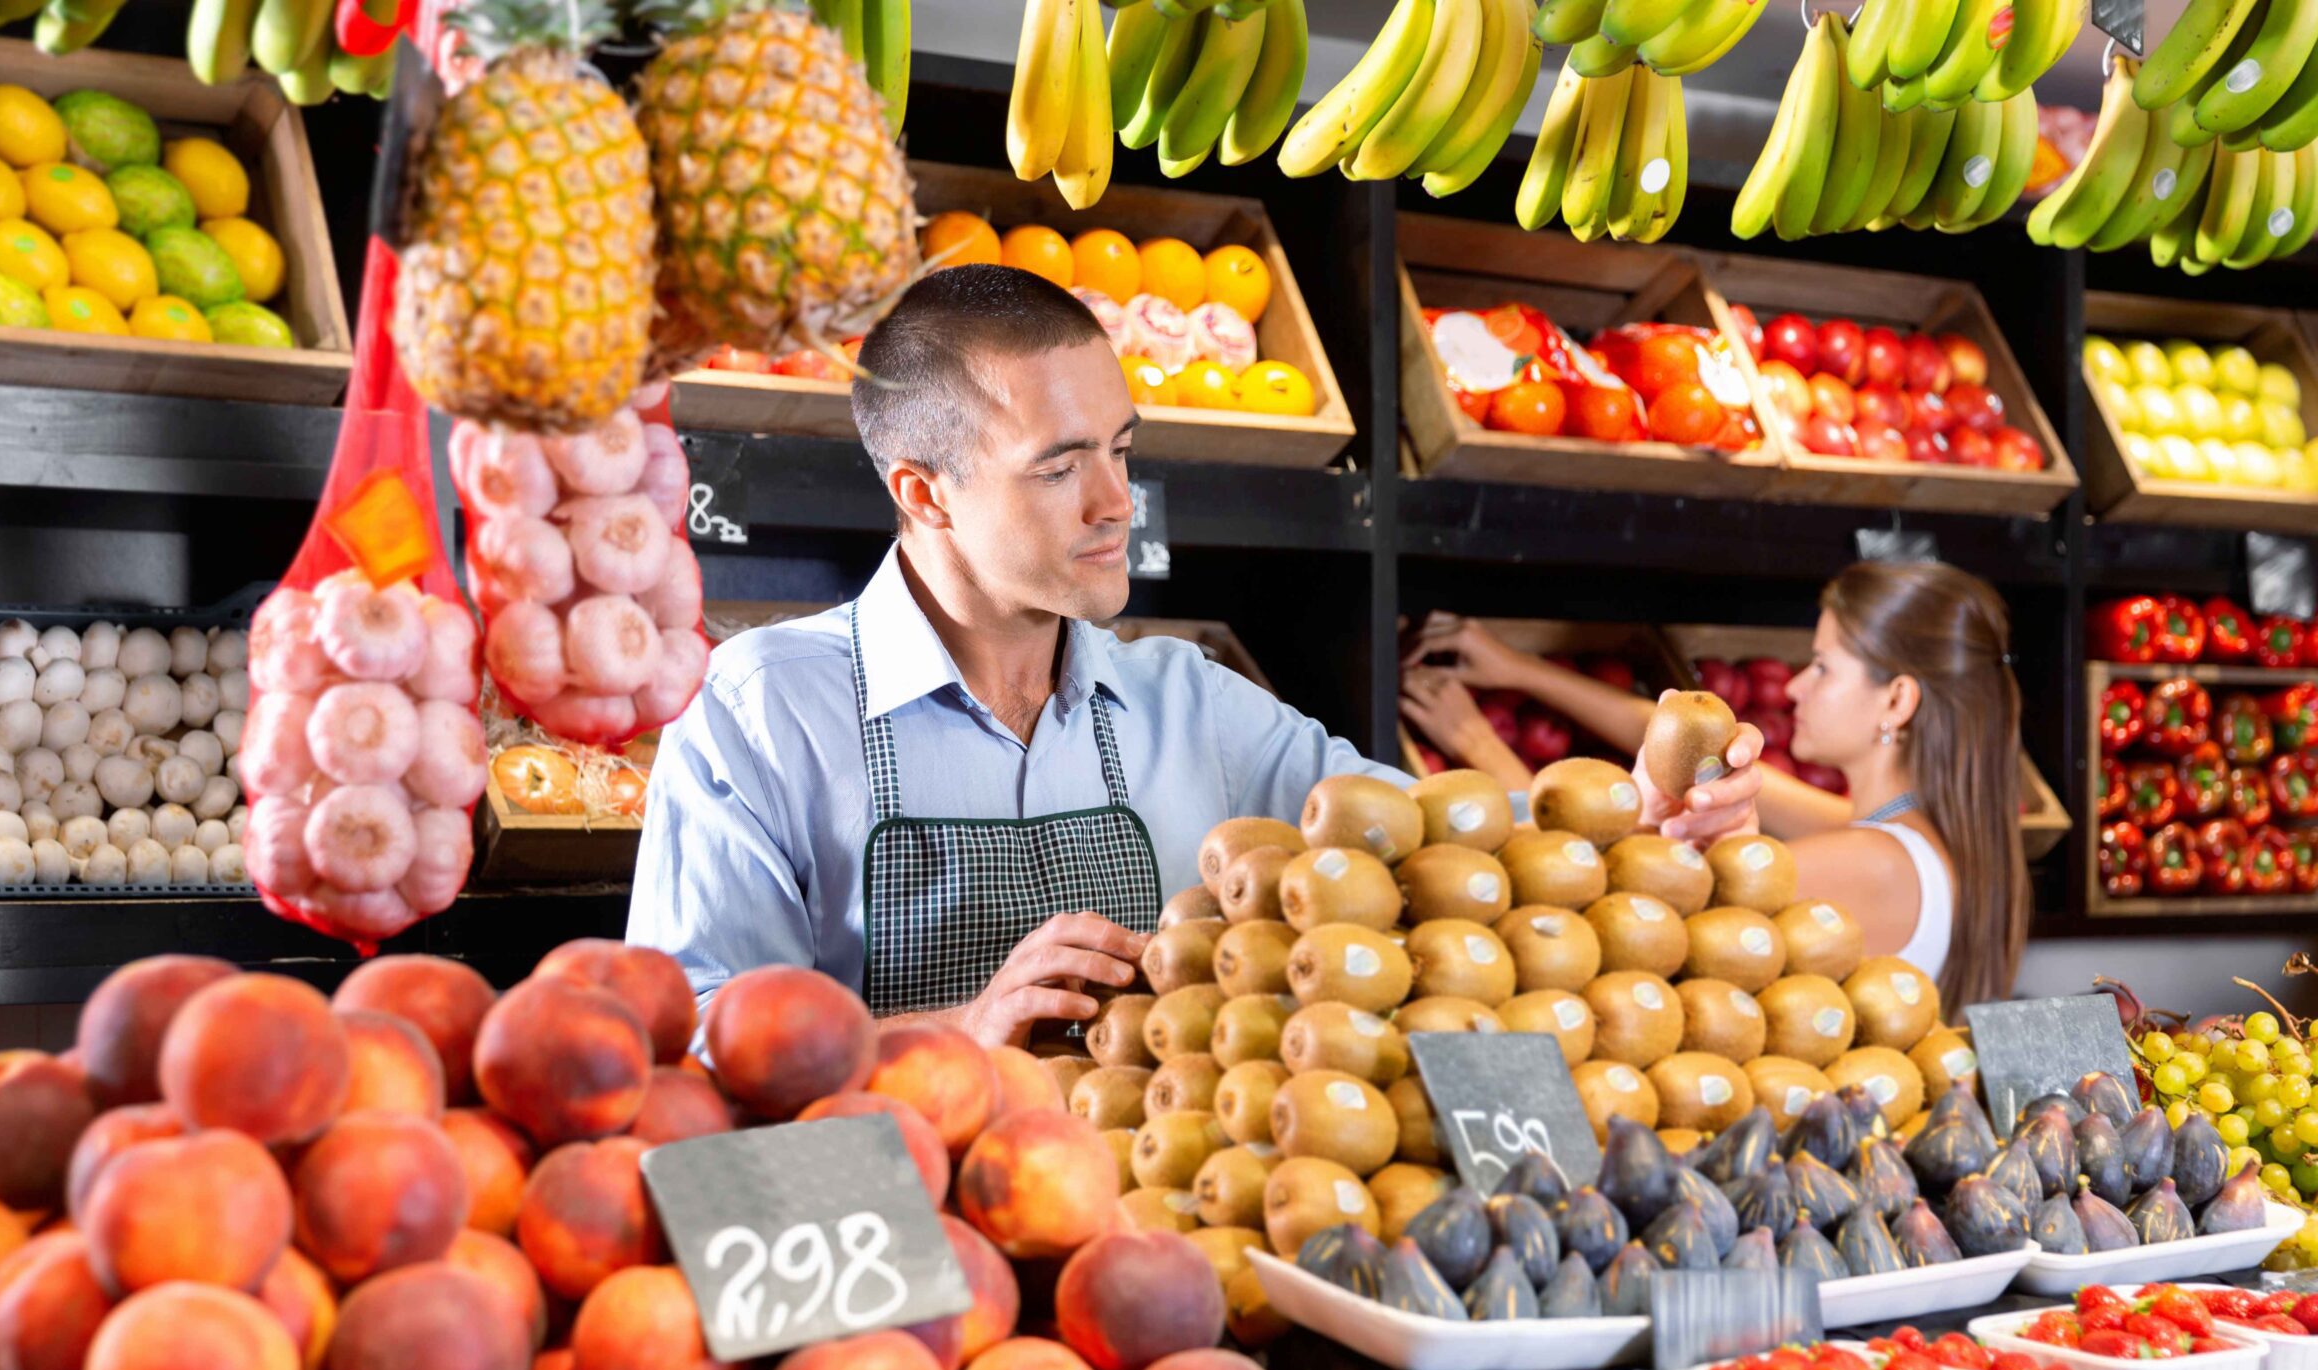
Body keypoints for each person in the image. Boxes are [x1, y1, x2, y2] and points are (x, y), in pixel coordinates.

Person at [629, 264, 1426, 1047]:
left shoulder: (1193, 704)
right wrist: (964, 1029)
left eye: (1121, 450)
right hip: (889, 1178)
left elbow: (1428, 833)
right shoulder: (758, 711)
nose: (1118, 503)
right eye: (1060, 467)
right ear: (924, 492)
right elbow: (687, 1036)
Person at [1400, 560, 2029, 1010]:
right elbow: (1678, 732)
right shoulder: (1899, 831)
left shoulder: (1876, 863)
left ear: (1895, 700)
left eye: (1822, 667)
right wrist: (1520, 669)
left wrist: (1478, 744)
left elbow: (1612, 899)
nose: (1792, 688)